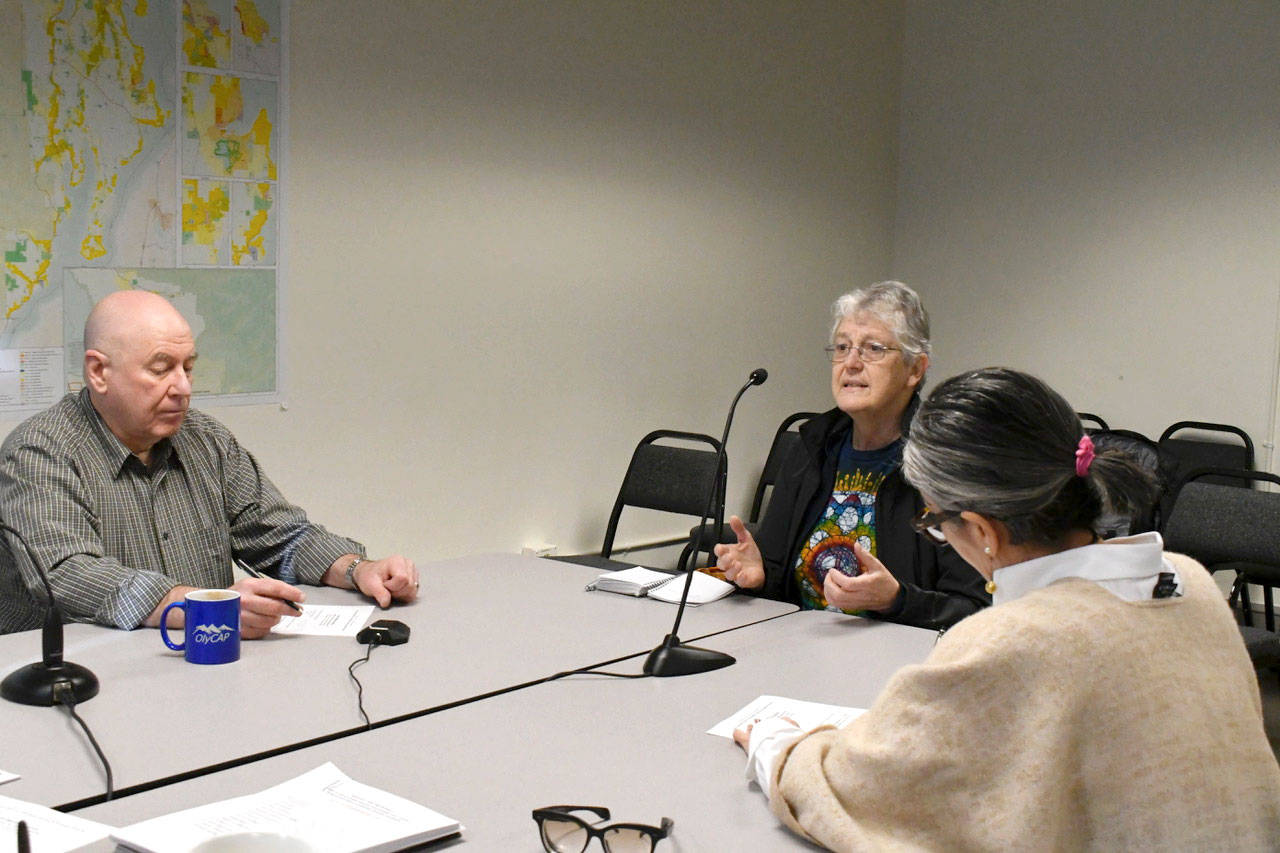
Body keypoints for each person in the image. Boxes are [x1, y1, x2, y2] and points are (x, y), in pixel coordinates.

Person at [735, 368, 1280, 850]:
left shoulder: (1009, 643)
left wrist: (775, 740)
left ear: (980, 532)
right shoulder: (1186, 580)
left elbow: (854, 796)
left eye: (935, 527)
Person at [0, 290, 418, 638]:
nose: (182, 387)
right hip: (79, 681)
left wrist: (358, 569)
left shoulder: (206, 441)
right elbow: (67, 575)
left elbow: (279, 536)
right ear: (98, 372)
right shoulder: (40, 452)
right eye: (161, 369)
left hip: (206, 665)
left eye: (188, 368)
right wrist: (202, 607)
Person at [714, 281, 988, 630]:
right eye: (842, 347)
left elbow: (976, 608)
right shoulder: (810, 448)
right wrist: (759, 574)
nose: (852, 363)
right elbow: (779, 578)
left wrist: (897, 600)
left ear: (915, 369)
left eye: (872, 348)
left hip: (896, 661)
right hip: (795, 648)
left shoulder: (948, 464)